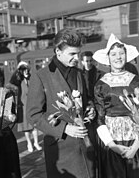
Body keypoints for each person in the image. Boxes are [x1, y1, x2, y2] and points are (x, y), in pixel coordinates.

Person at [26, 29, 96, 178]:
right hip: (61, 150)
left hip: (86, 147)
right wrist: (64, 129)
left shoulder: (79, 73)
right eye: (72, 54)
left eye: (78, 53)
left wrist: (90, 108)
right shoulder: (40, 76)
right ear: (58, 51)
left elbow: (87, 99)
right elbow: (33, 115)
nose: (76, 58)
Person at [93, 33, 139, 178]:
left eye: (121, 53)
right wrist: (113, 146)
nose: (118, 57)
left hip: (135, 142)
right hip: (112, 144)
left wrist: (136, 146)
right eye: (113, 54)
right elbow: (100, 119)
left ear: (126, 55)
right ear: (108, 59)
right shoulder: (101, 85)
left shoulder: (137, 82)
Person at [10, 61, 42, 152]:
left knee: (34, 126)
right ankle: (29, 143)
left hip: (32, 105)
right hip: (22, 107)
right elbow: (11, 86)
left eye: (27, 70)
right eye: (24, 70)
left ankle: (36, 142)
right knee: (26, 128)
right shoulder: (17, 81)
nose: (26, 72)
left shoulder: (32, 79)